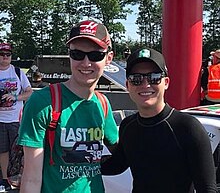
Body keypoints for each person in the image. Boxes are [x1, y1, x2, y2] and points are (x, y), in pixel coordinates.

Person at [17, 20, 118, 193]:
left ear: (109, 58)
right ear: (69, 55)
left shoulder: (103, 104)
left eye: (95, 55)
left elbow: (123, 152)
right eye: (78, 54)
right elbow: (31, 178)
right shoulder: (42, 103)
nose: (86, 63)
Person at [101, 47, 217, 193]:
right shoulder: (128, 125)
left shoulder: (188, 127)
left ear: (166, 82)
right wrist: (76, 161)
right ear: (127, 85)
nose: (145, 84)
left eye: (154, 77)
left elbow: (207, 188)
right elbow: (117, 165)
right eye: (136, 79)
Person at [0, 43, 32, 191]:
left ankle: (19, 177)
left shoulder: (18, 72)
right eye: (2, 54)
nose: (5, 57)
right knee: (3, 150)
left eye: (8, 55)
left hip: (16, 119)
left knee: (18, 151)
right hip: (0, 120)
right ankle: (6, 180)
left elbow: (29, 92)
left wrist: (14, 96)